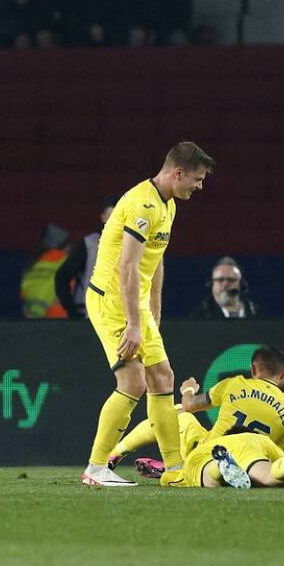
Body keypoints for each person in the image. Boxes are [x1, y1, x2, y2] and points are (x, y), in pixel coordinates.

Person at [81, 141, 216, 487]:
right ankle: (96, 468)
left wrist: (153, 311)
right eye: (198, 179)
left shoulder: (168, 205)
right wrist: (134, 325)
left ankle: (175, 469)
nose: (200, 186)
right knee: (133, 382)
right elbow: (127, 267)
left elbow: (154, 261)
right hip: (111, 301)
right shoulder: (142, 204)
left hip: (135, 304)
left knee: (163, 378)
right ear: (178, 173)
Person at [109, 346, 284, 488]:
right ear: (283, 374)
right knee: (281, 461)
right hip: (259, 452)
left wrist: (188, 390)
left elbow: (190, 405)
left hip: (213, 448)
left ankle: (118, 454)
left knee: (178, 415)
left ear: (253, 368)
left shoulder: (235, 384)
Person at [55, 196, 117, 319]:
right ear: (103, 217)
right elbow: (62, 277)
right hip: (89, 318)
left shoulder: (135, 245)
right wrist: (73, 311)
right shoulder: (89, 245)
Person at [188, 256, 261, 318]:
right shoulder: (200, 315)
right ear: (211, 284)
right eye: (220, 280)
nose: (225, 284)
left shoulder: (255, 312)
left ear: (241, 284)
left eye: (231, 280)